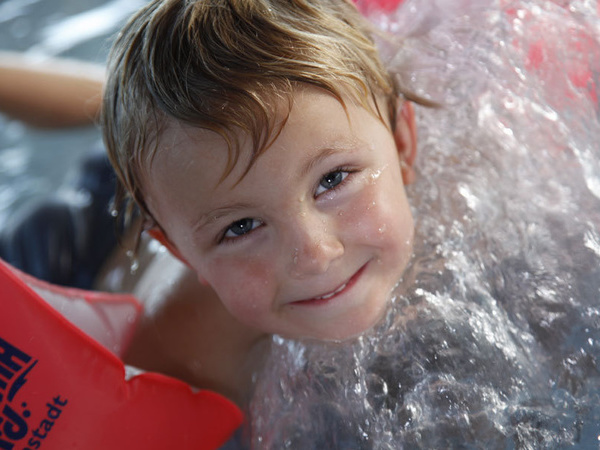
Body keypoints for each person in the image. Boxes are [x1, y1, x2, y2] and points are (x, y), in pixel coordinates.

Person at [101, 0, 422, 405]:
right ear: (182, 255)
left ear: (403, 146)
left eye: (332, 180)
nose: (315, 254)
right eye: (241, 227)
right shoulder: (183, 355)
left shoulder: (473, 206)